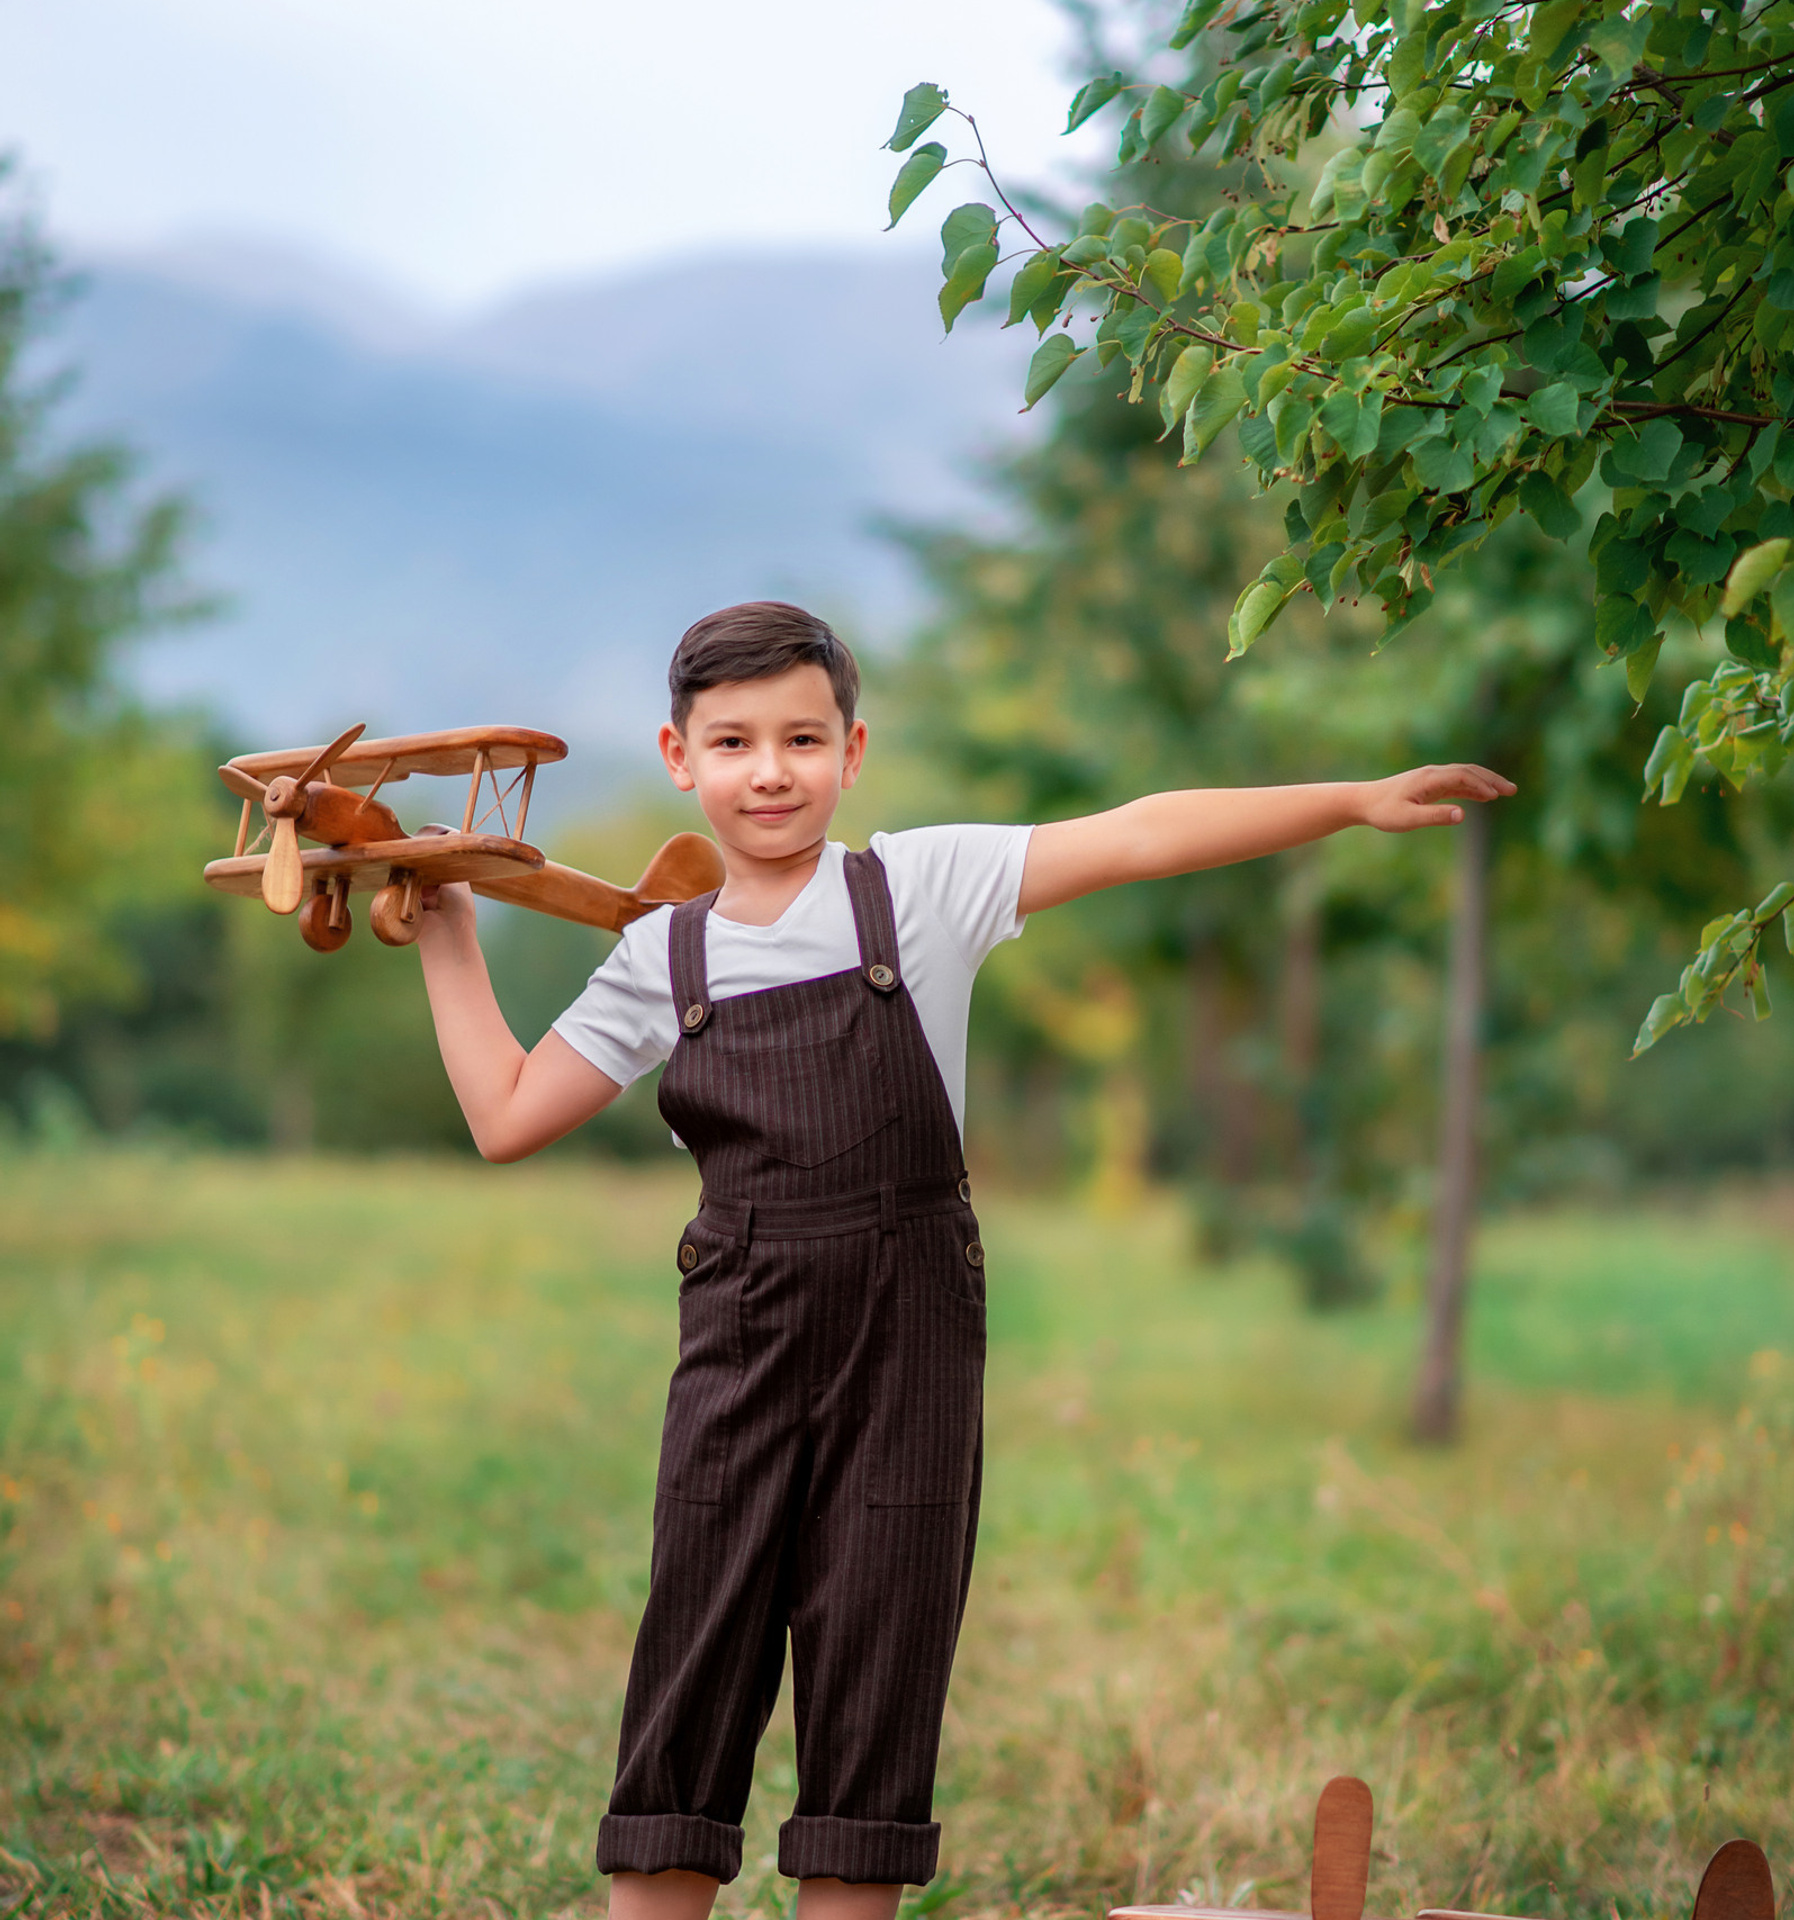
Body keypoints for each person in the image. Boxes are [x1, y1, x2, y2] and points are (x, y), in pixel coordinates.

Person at [414, 601, 1512, 1920]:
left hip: (908, 1352)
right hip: (740, 1349)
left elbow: (1139, 833)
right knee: (692, 1665)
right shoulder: (662, 955)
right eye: (737, 742)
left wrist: (1346, 799)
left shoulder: (920, 890)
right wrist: (446, 933)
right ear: (678, 755)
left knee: (878, 1674)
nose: (772, 771)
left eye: (804, 739)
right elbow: (509, 1115)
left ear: (854, 750)